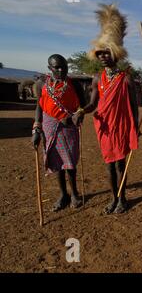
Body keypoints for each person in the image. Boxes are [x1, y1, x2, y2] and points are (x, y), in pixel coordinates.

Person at [73, 4, 139, 214]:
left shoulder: (125, 78)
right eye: (99, 53)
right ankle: (113, 197)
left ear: (116, 54)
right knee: (109, 165)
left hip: (120, 126)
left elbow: (134, 106)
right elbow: (93, 103)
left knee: (120, 164)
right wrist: (82, 111)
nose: (102, 56)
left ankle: (123, 198)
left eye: (106, 52)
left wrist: (135, 127)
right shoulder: (97, 79)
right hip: (104, 127)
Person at [32, 54, 85, 211]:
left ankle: (74, 193)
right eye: (57, 67)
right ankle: (63, 195)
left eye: (64, 66)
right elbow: (39, 107)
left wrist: (76, 116)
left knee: (70, 162)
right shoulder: (42, 83)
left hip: (68, 127)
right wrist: (36, 129)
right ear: (50, 68)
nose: (62, 70)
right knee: (56, 162)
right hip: (49, 126)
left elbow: (83, 106)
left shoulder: (74, 84)